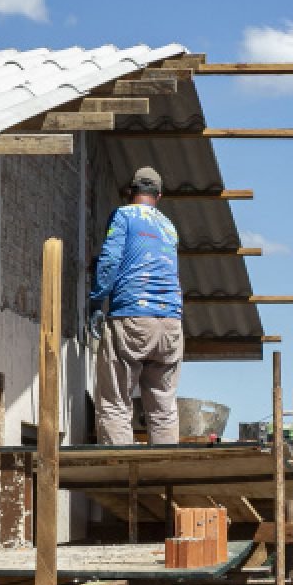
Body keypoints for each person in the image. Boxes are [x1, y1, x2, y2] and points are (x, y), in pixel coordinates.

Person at [88, 166, 183, 445]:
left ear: (130, 191)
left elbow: (109, 262)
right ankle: (165, 479)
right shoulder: (169, 227)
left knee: (115, 402)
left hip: (132, 318)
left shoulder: (124, 216)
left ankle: (120, 477)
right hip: (171, 325)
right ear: (159, 196)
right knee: (163, 410)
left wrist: (96, 302)